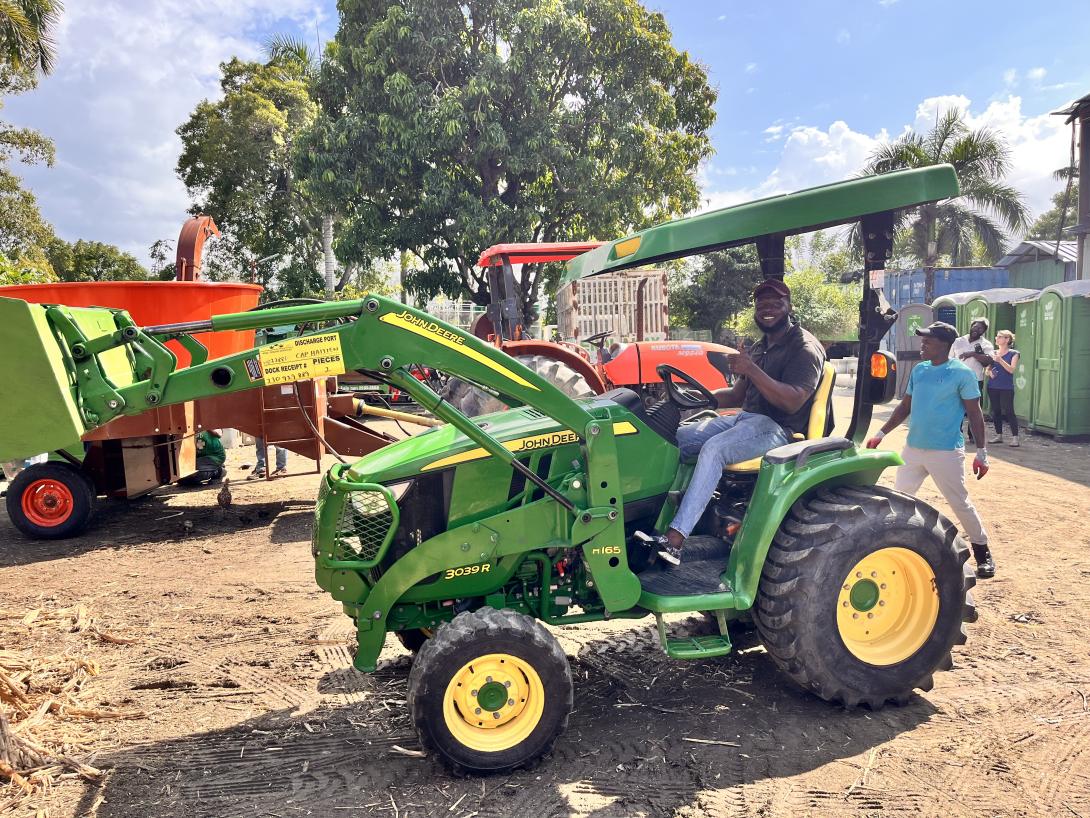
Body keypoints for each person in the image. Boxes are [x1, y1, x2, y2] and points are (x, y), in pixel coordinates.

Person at [639, 279, 825, 566]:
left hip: (779, 429)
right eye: (761, 304)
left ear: (788, 305)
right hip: (744, 421)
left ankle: (675, 540)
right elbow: (738, 394)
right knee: (671, 439)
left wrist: (750, 367)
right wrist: (695, 397)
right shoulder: (761, 347)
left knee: (714, 449)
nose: (767, 309)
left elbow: (792, 400)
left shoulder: (804, 347)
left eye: (775, 303)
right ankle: (655, 515)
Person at [866, 321, 995, 578]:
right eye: (922, 340)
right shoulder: (920, 370)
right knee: (899, 498)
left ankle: (982, 551)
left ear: (944, 345)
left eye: (928, 341)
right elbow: (905, 407)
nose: (922, 345)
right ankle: (892, 547)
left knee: (959, 503)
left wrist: (982, 454)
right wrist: (881, 434)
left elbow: (975, 414)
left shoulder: (961, 374)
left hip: (945, 452)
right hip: (913, 450)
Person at [950, 319, 994, 445]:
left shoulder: (986, 344)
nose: (976, 330)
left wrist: (974, 354)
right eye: (975, 327)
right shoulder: (958, 341)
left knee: (973, 410)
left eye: (980, 329)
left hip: (974, 381)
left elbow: (988, 361)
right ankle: (956, 434)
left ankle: (973, 435)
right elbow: (949, 358)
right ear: (971, 326)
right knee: (955, 408)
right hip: (956, 380)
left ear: (984, 331)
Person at [987, 329, 1020, 447]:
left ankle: (1015, 437)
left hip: (1006, 387)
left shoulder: (1014, 353)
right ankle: (999, 435)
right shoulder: (993, 353)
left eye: (1000, 336)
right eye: (997, 336)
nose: (997, 338)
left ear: (1007, 339)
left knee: (1009, 411)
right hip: (993, 386)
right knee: (996, 411)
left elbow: (1011, 369)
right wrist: (989, 372)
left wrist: (1000, 360)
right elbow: (988, 369)